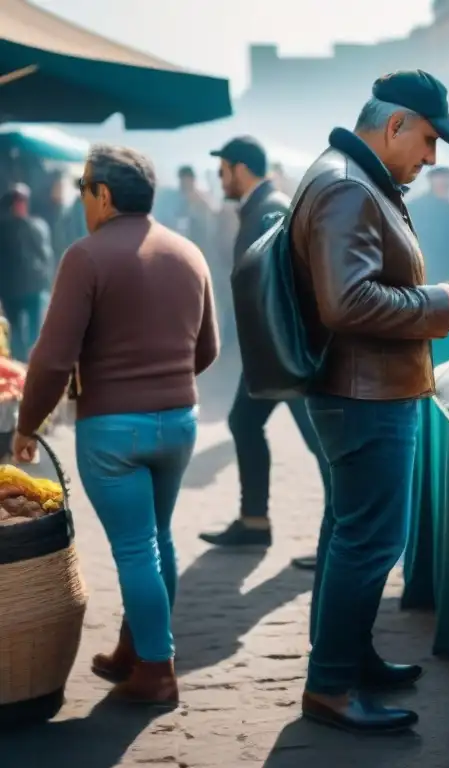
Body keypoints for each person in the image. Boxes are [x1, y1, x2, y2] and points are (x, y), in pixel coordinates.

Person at [289, 70, 449, 733]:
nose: (432, 158)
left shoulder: (354, 177)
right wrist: (440, 306)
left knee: (353, 532)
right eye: (428, 140)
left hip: (362, 389)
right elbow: (348, 300)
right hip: (362, 393)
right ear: (395, 125)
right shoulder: (346, 184)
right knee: (371, 541)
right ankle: (333, 686)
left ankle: (349, 656)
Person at [11, 145, 220, 706]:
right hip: (179, 423)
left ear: (102, 195)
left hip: (113, 431)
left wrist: (27, 425)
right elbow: (209, 349)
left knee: (135, 549)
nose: (82, 199)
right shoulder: (188, 253)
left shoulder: (86, 256)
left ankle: (156, 669)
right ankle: (137, 647)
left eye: (83, 189)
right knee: (157, 538)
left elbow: (52, 360)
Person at [199, 136, 328, 572]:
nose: (220, 179)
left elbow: (282, 283)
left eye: (223, 170)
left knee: (322, 446)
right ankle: (254, 521)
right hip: (269, 350)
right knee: (242, 421)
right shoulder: (263, 203)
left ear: (239, 169)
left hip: (282, 351)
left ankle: (338, 541)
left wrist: (281, 353)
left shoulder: (270, 205)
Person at [0, 183, 54, 361]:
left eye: (22, 201)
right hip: (12, 290)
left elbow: (46, 256)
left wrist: (46, 280)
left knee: (35, 332)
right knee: (15, 332)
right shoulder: (5, 229)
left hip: (33, 288)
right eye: (16, 201)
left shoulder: (36, 226)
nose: (19, 205)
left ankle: (34, 363)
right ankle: (20, 363)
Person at [407, 166, 449, 283]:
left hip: (444, 279)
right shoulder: (413, 209)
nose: (443, 181)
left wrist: (448, 264)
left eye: (446, 177)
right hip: (414, 278)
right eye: (439, 176)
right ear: (430, 179)